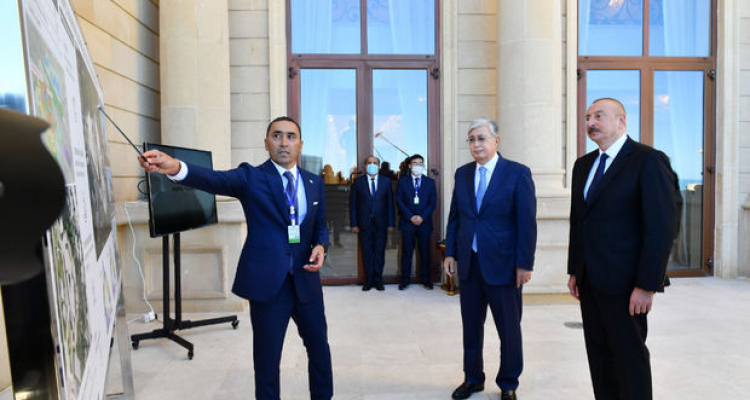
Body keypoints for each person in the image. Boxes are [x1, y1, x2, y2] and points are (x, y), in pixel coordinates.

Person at [138, 116, 333, 400]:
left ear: (300, 144)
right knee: (267, 362)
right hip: (268, 286)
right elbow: (214, 179)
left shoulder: (314, 182)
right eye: (277, 136)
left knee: (319, 350)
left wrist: (321, 246)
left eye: (291, 136)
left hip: (307, 283)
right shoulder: (250, 177)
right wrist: (176, 167)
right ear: (266, 143)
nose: (284, 142)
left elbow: (321, 224)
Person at [567, 98, 676, 400]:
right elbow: (579, 222)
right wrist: (575, 269)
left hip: (627, 286)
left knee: (630, 361)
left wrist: (647, 285)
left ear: (621, 121)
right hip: (590, 282)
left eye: (599, 116)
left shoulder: (647, 160)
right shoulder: (583, 166)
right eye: (588, 117)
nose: (591, 123)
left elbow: (660, 228)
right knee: (600, 359)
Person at [444, 118, 537, 400]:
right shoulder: (462, 174)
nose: (476, 144)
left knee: (508, 329)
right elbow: (455, 217)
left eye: (482, 138)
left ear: (496, 141)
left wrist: (524, 263)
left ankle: (508, 383)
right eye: (471, 139)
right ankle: (473, 378)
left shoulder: (517, 173)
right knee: (471, 328)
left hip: (504, 266)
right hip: (470, 265)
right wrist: (450, 252)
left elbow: (526, 223)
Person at [350, 155, 395, 291]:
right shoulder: (358, 182)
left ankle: (378, 280)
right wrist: (354, 223)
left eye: (375, 163)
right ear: (365, 166)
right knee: (367, 252)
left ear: (379, 166)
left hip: (382, 223)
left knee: (380, 252)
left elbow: (390, 204)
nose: (372, 165)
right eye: (369, 163)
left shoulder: (386, 182)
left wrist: (391, 223)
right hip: (364, 224)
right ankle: (369, 280)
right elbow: (353, 204)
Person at [395, 154, 437, 290]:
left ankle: (426, 279)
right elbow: (399, 200)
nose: (417, 166)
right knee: (407, 252)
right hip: (407, 222)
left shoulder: (430, 182)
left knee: (424, 252)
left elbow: (432, 202)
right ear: (409, 166)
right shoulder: (403, 181)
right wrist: (410, 217)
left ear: (423, 165)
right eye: (415, 163)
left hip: (424, 223)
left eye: (420, 163)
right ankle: (405, 279)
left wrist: (422, 217)